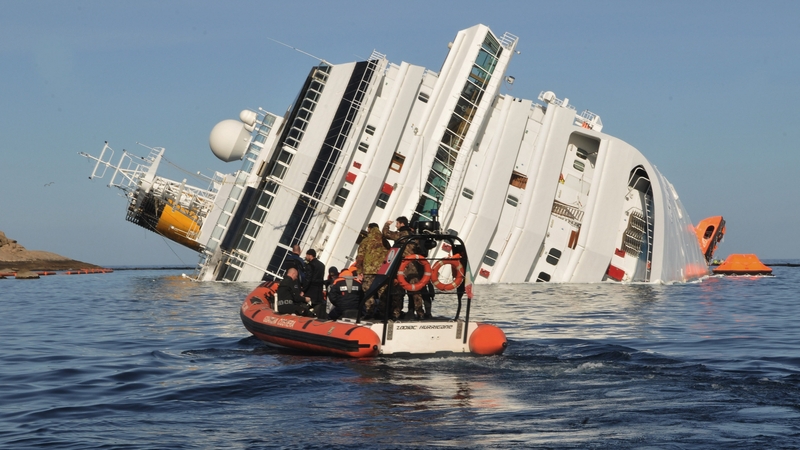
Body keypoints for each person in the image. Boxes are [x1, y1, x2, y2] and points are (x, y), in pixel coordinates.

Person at [383, 216, 426, 319]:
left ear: (402, 224)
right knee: (415, 291)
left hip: (401, 268)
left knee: (398, 292)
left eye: (397, 223)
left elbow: (386, 234)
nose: (396, 225)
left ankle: (396, 313)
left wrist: (387, 225)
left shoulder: (400, 235)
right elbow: (420, 250)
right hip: (413, 268)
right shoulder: (414, 236)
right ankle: (420, 313)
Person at [356, 223, 389, 317]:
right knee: (382, 292)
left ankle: (370, 313)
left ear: (369, 229)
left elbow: (360, 257)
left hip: (369, 271)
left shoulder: (366, 241)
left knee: (369, 292)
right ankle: (383, 314)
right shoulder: (385, 241)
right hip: (383, 271)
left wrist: (359, 271)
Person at [304, 249, 327, 319]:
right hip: (318, 291)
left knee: (306, 307)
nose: (305, 257)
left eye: (307, 255)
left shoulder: (310, 265)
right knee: (317, 307)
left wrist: (303, 290)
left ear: (310, 256)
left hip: (310, 290)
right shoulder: (322, 265)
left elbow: (308, 279)